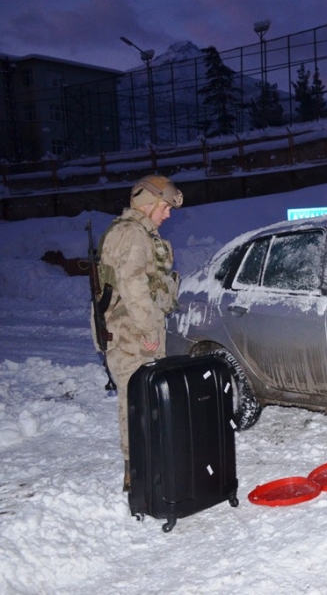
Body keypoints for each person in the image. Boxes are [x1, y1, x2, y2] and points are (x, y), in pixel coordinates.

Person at [95, 175, 183, 492]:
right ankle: (137, 478)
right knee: (136, 409)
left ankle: (149, 472)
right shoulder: (131, 234)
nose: (168, 214)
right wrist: (149, 330)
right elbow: (133, 289)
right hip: (132, 339)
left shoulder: (141, 233)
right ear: (148, 204)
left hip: (140, 336)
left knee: (147, 407)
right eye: (164, 207)